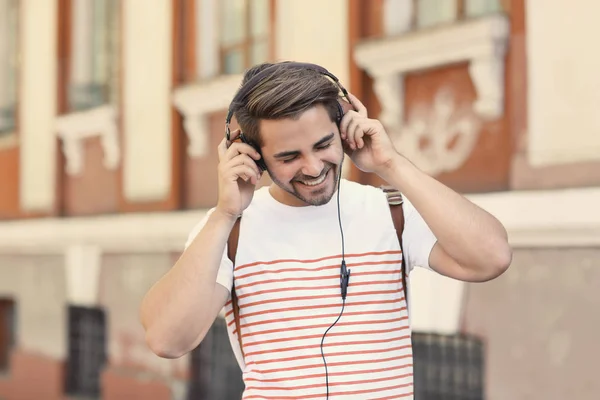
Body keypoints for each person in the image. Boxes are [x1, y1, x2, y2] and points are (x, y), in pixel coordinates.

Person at [140, 61, 512, 399]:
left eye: (323, 145)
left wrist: (391, 164)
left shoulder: (390, 211)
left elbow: (491, 258)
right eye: (289, 157)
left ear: (344, 129)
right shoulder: (229, 230)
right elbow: (168, 339)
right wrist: (224, 214)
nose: (314, 167)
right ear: (253, 155)